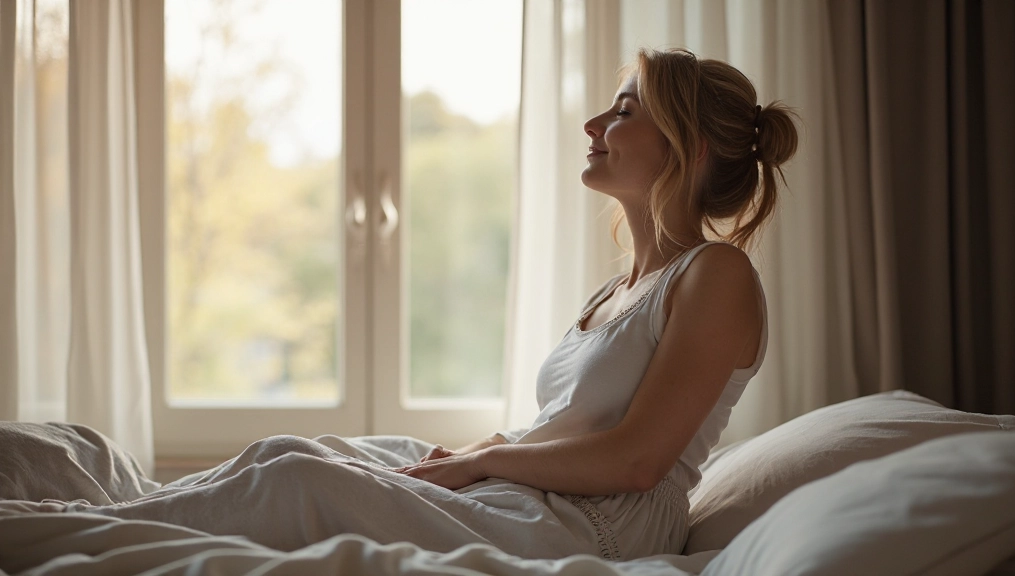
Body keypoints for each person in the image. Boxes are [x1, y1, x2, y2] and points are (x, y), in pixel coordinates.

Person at [2, 48, 798, 561]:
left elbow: (636, 459)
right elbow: (575, 426)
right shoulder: (621, 285)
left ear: (688, 149)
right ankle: (115, 497)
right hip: (541, 488)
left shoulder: (715, 274)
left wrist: (482, 462)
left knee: (296, 480)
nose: (594, 122)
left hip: (596, 523)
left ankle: (70, 524)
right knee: (300, 447)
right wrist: (473, 458)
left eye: (625, 110)